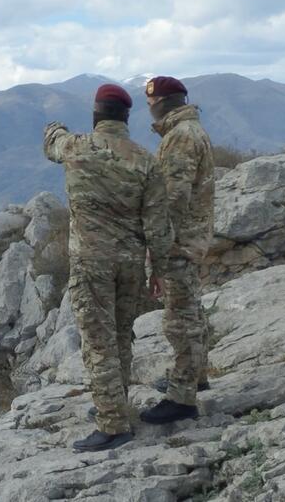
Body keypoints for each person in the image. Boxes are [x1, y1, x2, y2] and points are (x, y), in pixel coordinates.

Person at [44, 84, 172, 451]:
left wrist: (54, 126)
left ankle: (113, 425)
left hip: (91, 263)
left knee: (98, 343)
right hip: (131, 264)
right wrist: (158, 270)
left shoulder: (75, 147)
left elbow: (52, 143)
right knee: (120, 336)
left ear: (96, 115)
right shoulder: (145, 160)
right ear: (126, 117)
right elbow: (157, 224)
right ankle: (116, 404)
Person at [140, 76, 215, 425]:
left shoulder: (180, 137)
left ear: (161, 102)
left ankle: (182, 398)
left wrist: (157, 247)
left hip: (178, 242)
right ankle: (195, 376)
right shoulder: (189, 130)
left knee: (180, 321)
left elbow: (172, 198)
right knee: (192, 312)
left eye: (150, 101)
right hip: (191, 239)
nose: (148, 107)